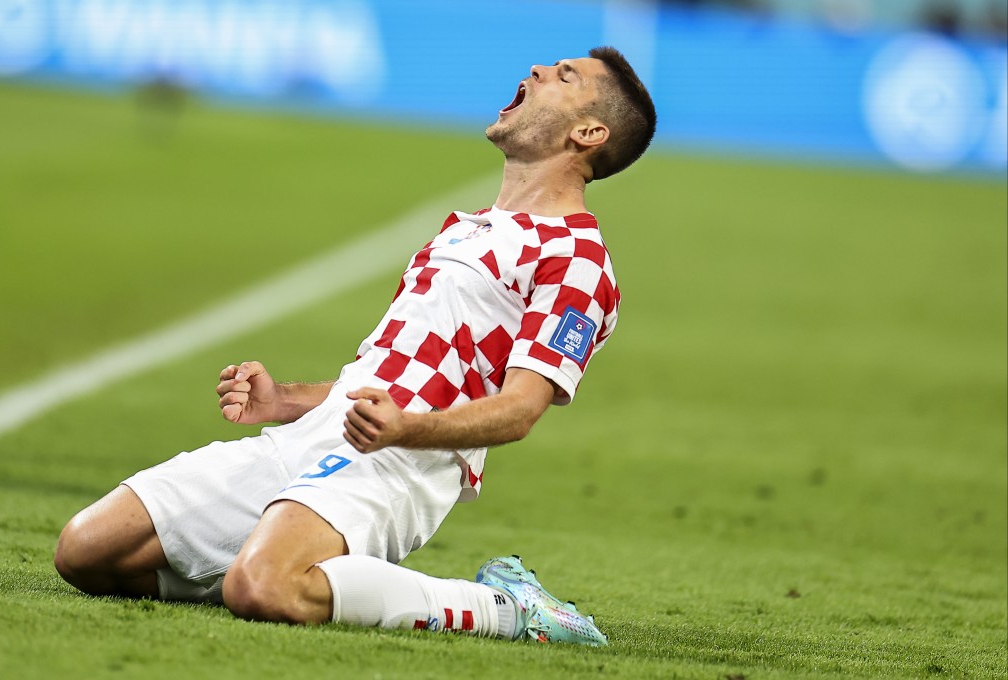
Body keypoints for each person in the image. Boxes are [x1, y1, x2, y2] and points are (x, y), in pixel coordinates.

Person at [54, 46, 657, 646]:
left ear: (588, 132)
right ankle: (294, 563)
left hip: (405, 465)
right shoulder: (466, 229)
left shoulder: (578, 259)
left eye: (565, 76)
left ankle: (505, 609)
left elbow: (521, 410)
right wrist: (285, 399)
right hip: (321, 437)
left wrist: (404, 431)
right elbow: (387, 380)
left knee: (262, 589)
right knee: (87, 551)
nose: (536, 70)